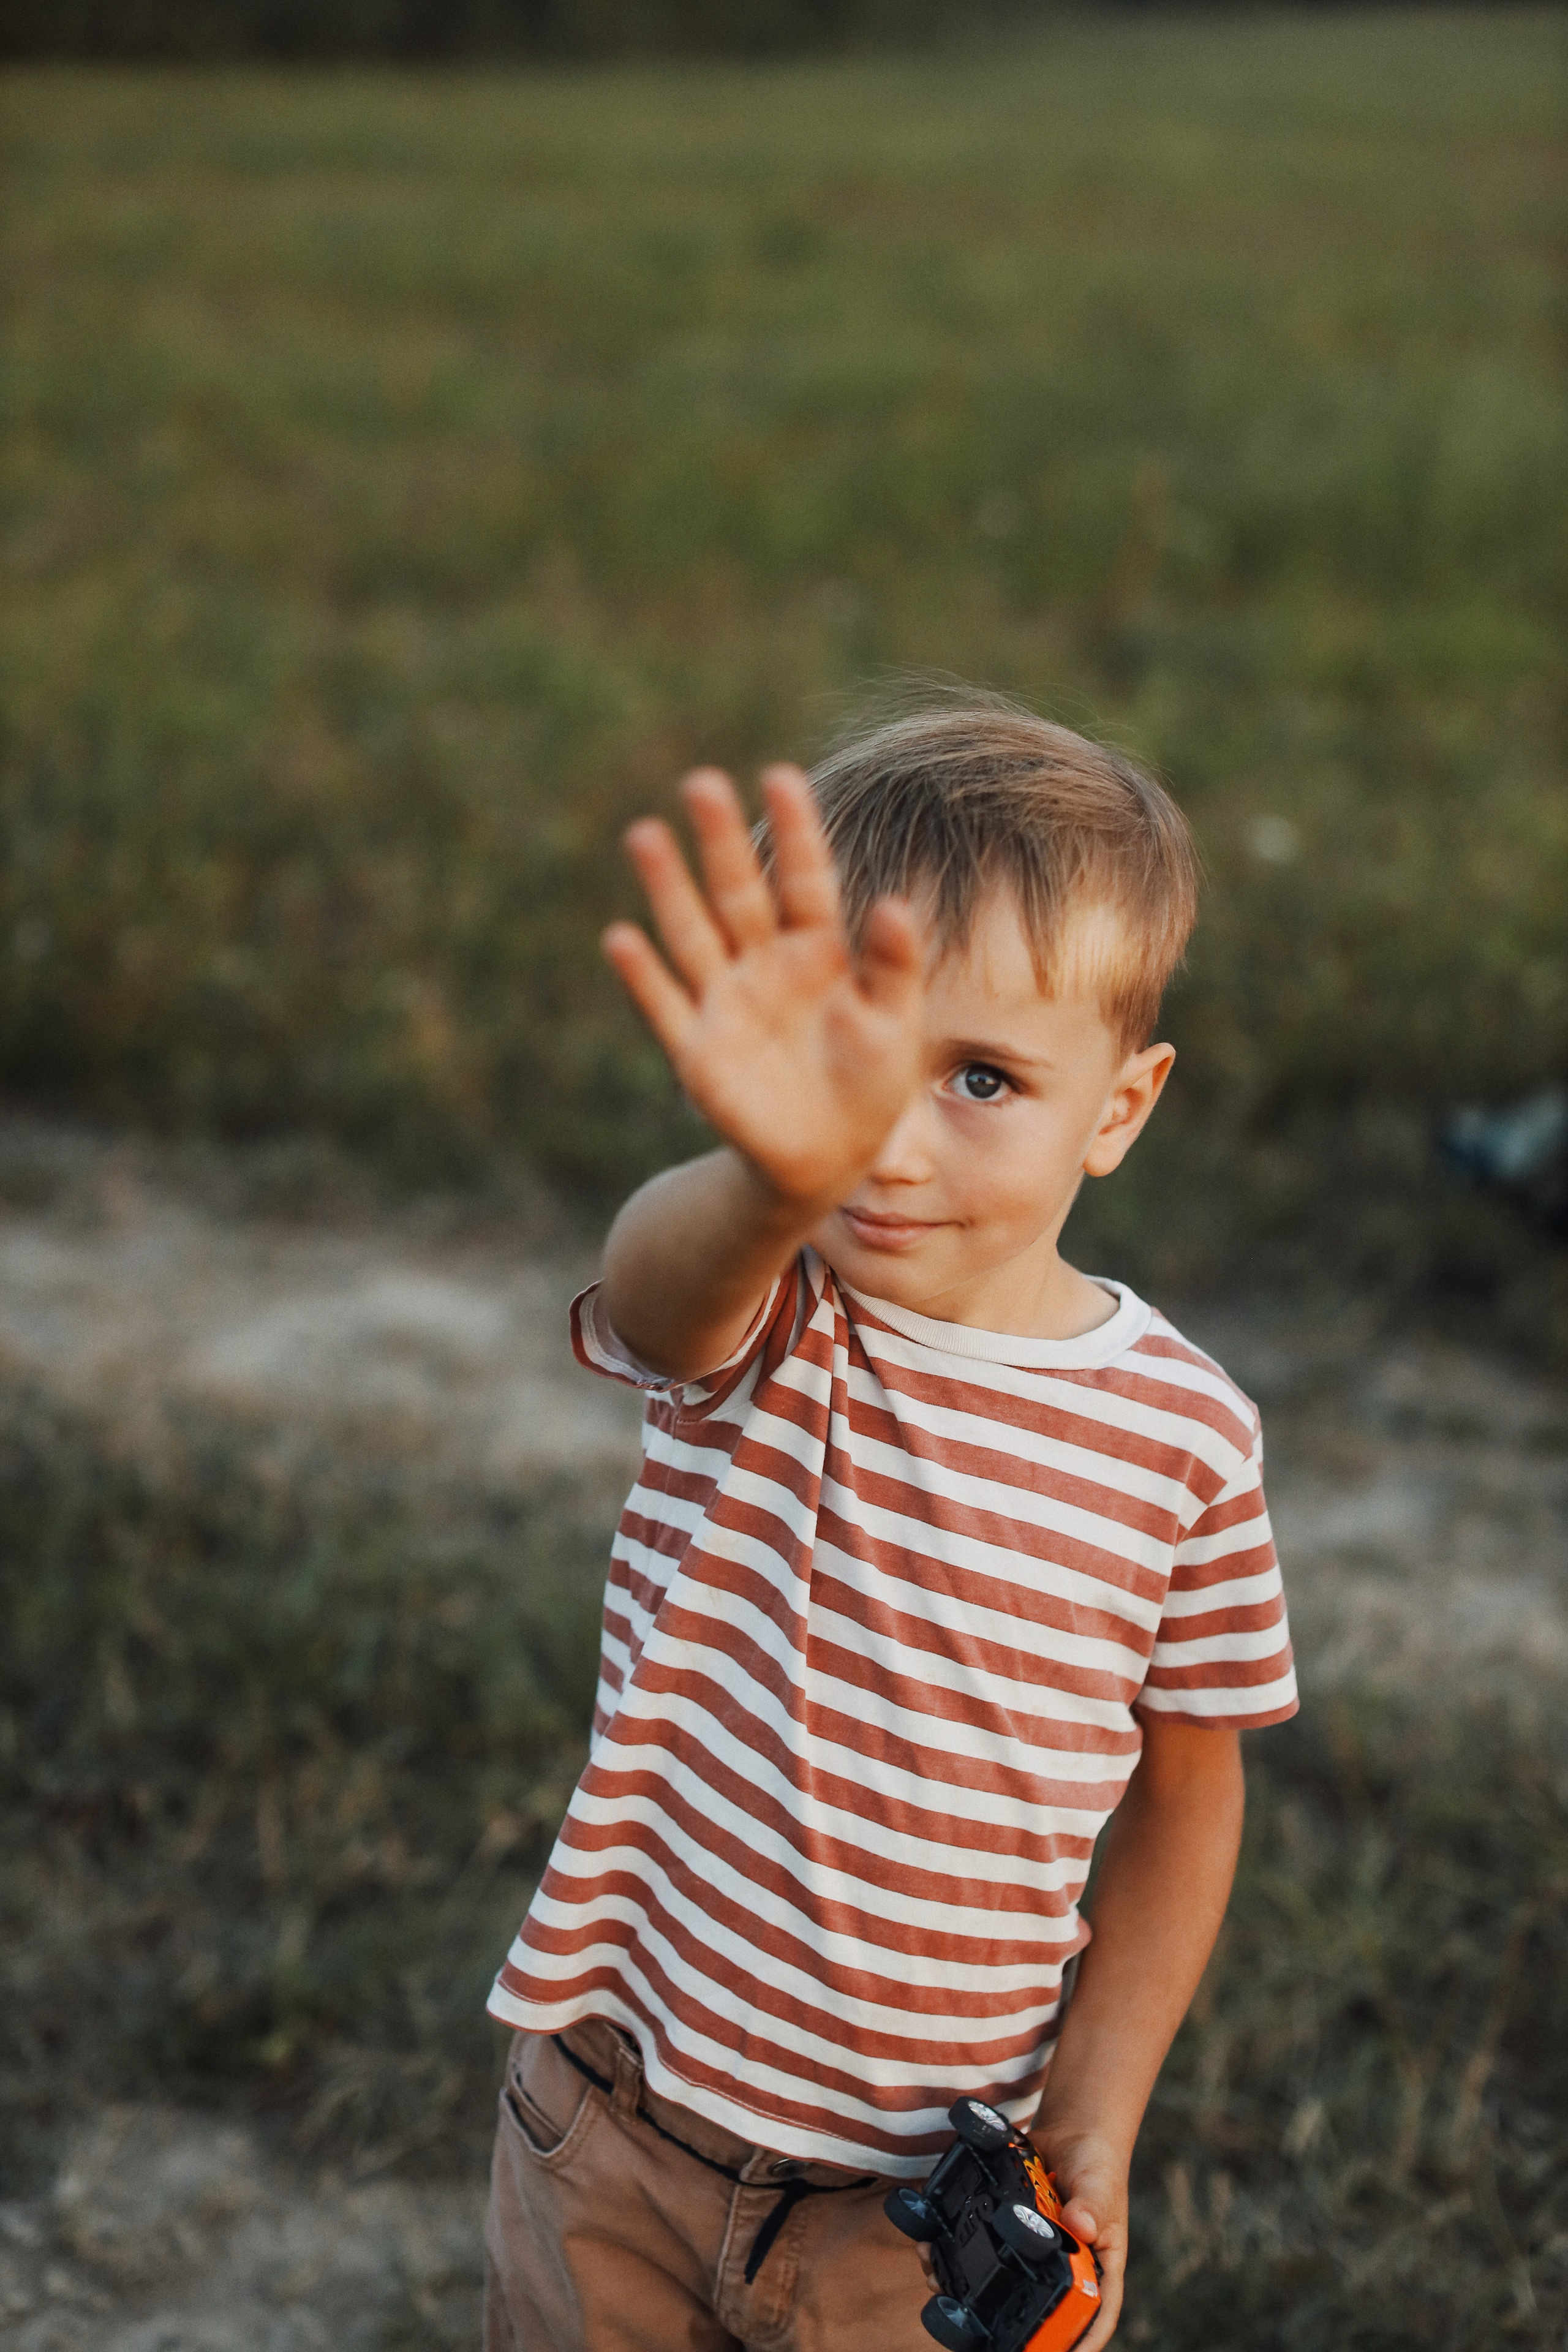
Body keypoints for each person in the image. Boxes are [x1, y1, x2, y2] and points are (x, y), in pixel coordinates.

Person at [483, 691, 1297, 2352]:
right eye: (846, 1065)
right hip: (616, 2130)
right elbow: (655, 1292)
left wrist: (1101, 2106)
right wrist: (762, 1183)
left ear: (1121, 1109)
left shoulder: (1186, 1438)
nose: (891, 1142)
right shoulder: (779, 1316)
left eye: (983, 1075)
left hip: (912, 2214)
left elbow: (1189, 1793)